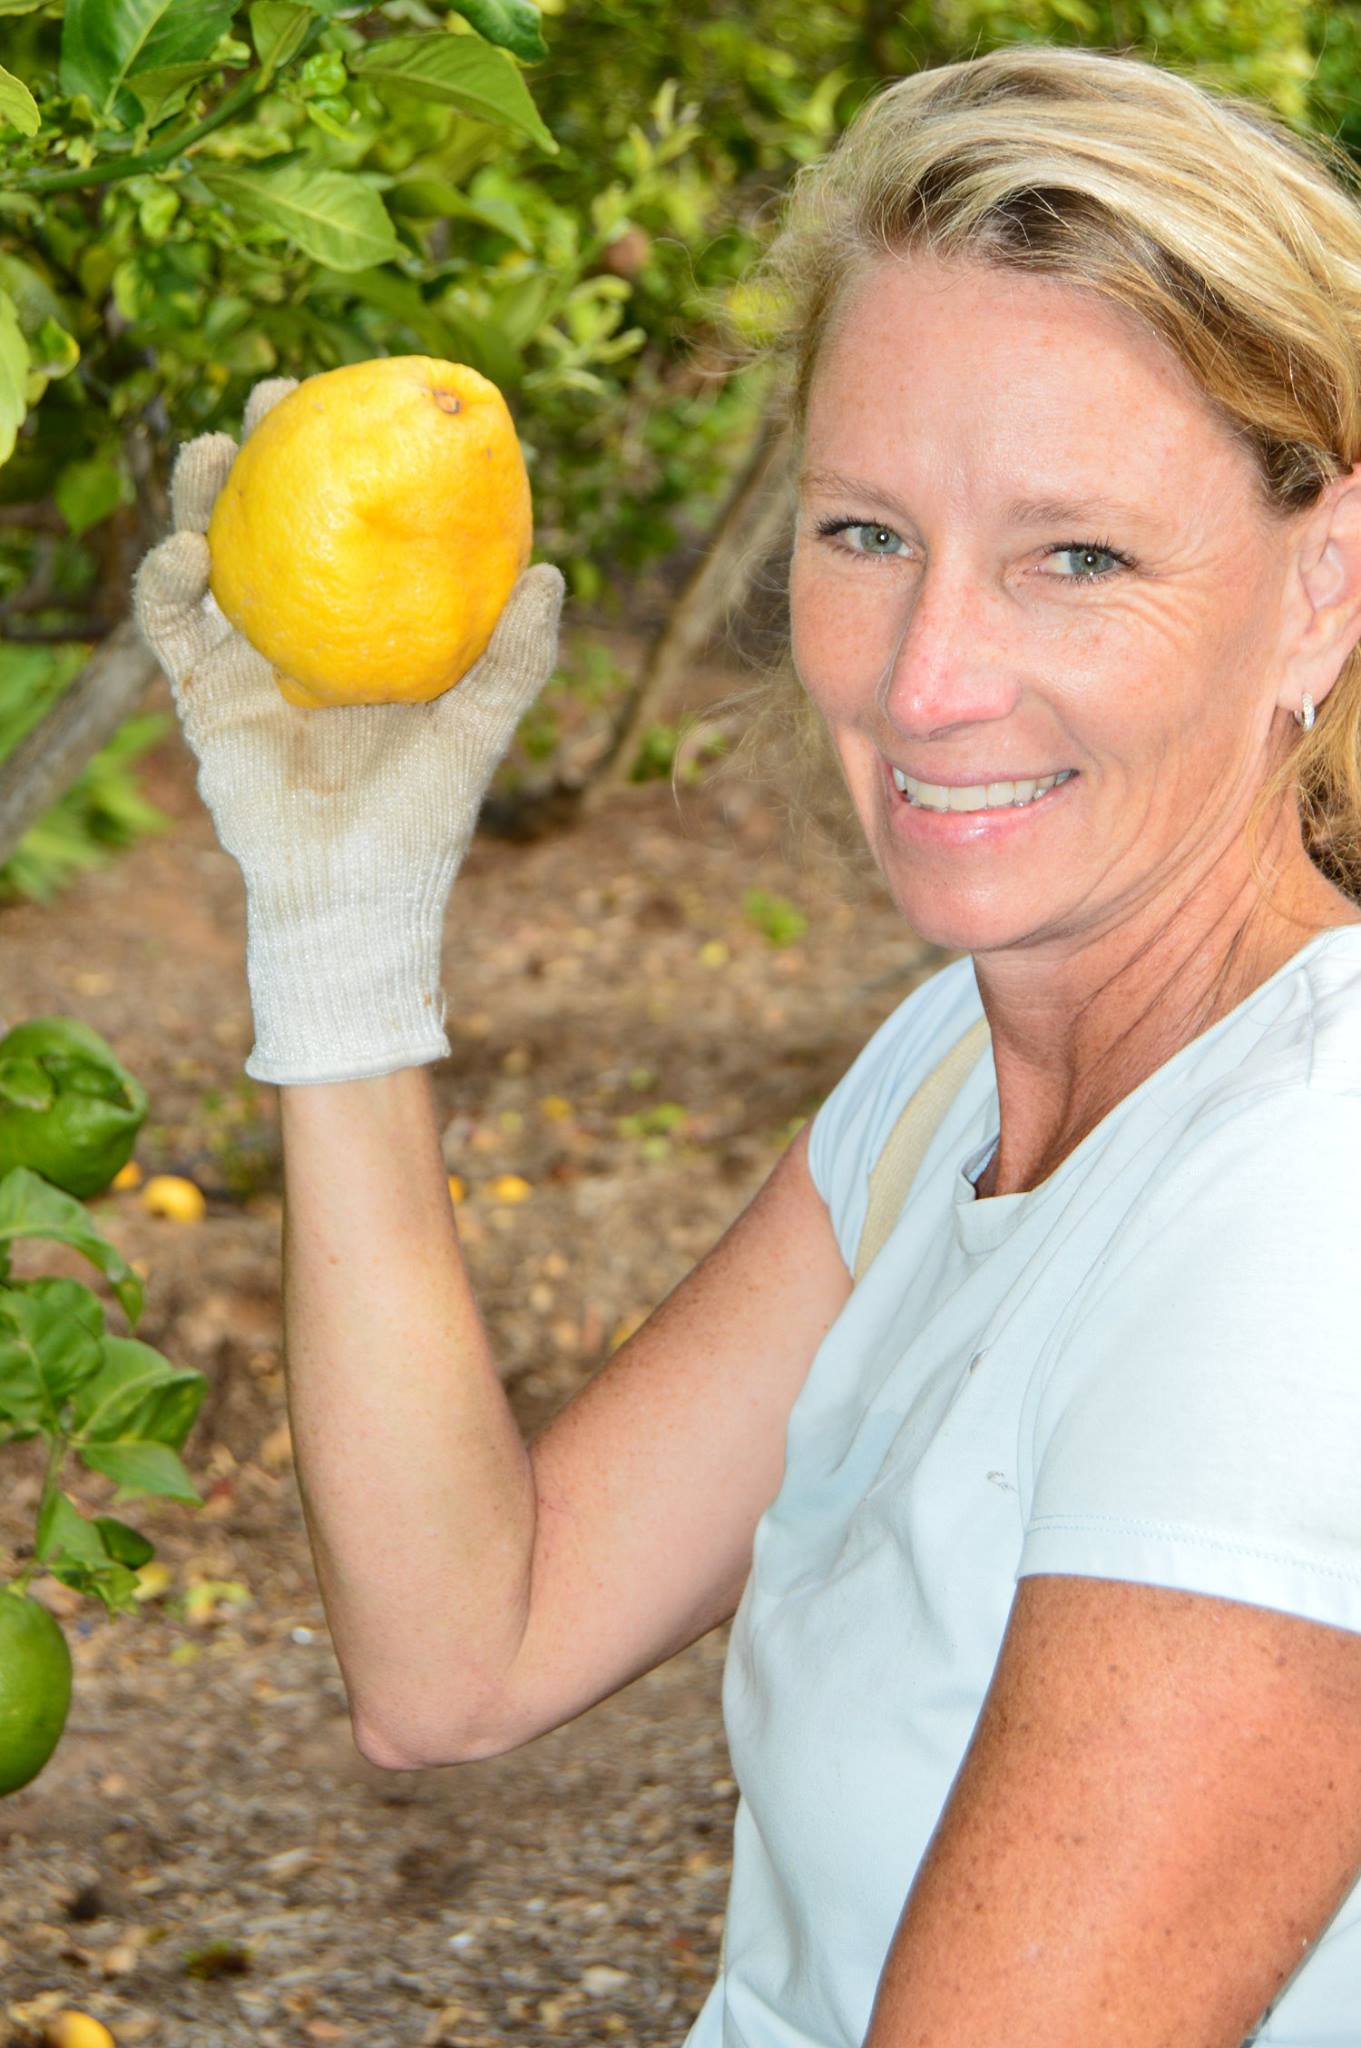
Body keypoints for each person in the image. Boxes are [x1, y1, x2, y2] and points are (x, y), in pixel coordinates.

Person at [131, 37, 1361, 2047]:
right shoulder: (956, 1074)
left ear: (1326, 587)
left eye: (1078, 554)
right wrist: (339, 937)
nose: (929, 675)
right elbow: (464, 1648)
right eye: (868, 532)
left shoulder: (1309, 1215)